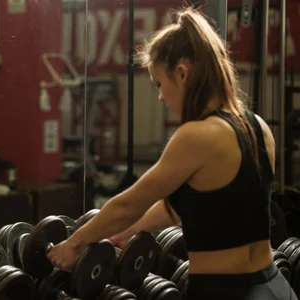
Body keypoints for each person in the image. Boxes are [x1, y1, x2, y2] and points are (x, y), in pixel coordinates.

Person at [48, 7, 297, 300]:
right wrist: (120, 234)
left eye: (159, 83)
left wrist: (73, 244)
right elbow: (189, 207)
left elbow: (129, 204)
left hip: (228, 292)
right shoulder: (258, 127)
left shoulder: (197, 136)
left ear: (182, 74)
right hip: (274, 286)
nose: (161, 96)